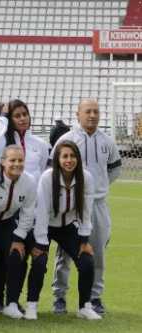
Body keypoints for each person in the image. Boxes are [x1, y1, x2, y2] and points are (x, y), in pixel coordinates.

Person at [51, 99, 122, 315]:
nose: (92, 115)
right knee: (64, 252)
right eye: (88, 111)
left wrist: (98, 188)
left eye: (96, 112)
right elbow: (52, 168)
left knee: (97, 251)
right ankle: (59, 297)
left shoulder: (107, 141)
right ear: (78, 114)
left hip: (98, 204)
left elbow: (114, 168)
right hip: (70, 204)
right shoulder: (67, 140)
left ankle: (95, 297)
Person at [34, 140, 101, 320]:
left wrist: (84, 240)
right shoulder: (48, 177)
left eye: (72, 156)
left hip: (68, 227)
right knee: (39, 262)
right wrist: (40, 242)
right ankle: (32, 305)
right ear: (58, 159)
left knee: (87, 261)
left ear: (78, 158)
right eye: (65, 156)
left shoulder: (86, 178)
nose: (69, 160)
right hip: (46, 226)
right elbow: (41, 212)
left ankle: (84, 306)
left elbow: (86, 211)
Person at [0, 145, 38, 319]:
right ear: (2, 162)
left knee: (15, 255)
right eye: (12, 160)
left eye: (20, 160)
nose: (17, 164)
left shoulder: (30, 181)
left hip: (7, 223)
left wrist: (19, 238)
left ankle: (10, 303)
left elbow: (28, 212)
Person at [0, 99, 50, 183]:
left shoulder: (41, 143)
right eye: (17, 116)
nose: (23, 118)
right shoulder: (4, 141)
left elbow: (42, 167)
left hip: (31, 193)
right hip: (6, 191)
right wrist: (3, 116)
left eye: (25, 114)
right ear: (9, 119)